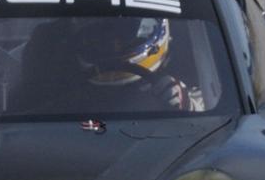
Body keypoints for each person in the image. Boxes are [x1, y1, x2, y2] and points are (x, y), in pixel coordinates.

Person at [70, 16, 205, 112]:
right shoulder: (65, 86)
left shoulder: (199, 76)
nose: (114, 44)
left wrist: (188, 107)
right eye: (100, 36)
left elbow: (213, 126)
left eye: (124, 33)